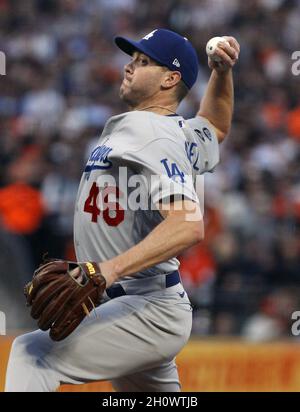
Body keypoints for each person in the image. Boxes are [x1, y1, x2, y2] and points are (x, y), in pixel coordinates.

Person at [5, 29, 239, 392]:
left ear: (170, 79)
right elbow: (216, 126)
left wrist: (106, 270)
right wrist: (222, 73)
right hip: (136, 305)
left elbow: (188, 225)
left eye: (143, 61)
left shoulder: (154, 134)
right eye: (132, 58)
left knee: (31, 353)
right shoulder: (178, 133)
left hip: (146, 306)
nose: (129, 66)